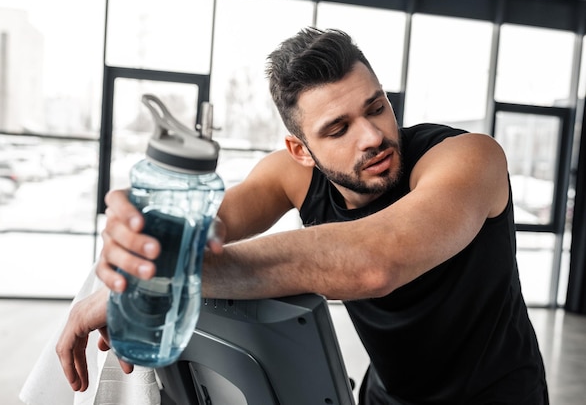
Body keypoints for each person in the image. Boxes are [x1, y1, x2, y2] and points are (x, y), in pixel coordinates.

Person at [56, 27, 549, 404]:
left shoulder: (469, 158)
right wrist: (145, 247)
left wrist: (177, 273)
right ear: (301, 150)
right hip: (386, 395)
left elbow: (375, 261)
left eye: (376, 108)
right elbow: (211, 224)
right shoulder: (289, 176)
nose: (372, 136)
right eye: (338, 129)